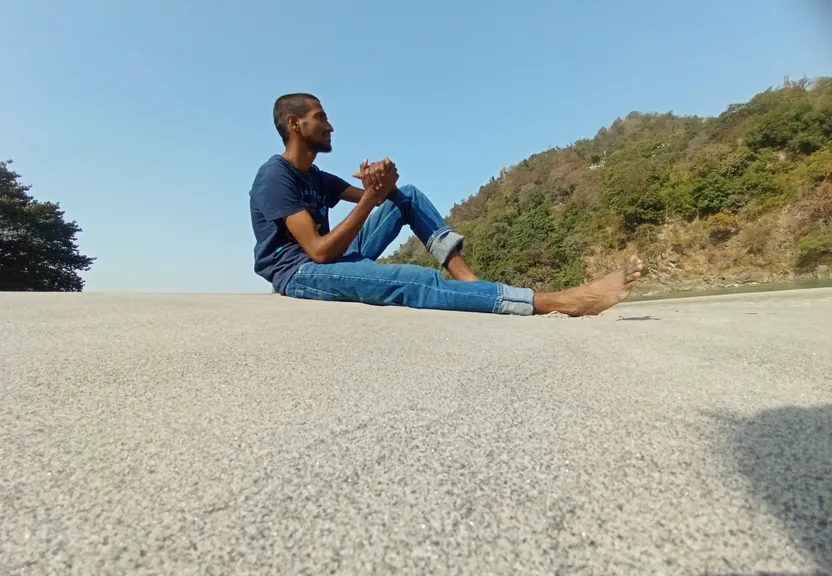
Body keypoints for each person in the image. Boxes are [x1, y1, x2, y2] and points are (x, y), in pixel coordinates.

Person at [248, 93, 644, 317]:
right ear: (295, 125)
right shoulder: (275, 177)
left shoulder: (316, 176)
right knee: (412, 282)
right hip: (298, 272)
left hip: (328, 257)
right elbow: (317, 253)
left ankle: (471, 285)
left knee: (412, 197)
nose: (330, 126)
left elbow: (388, 198)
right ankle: (558, 301)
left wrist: (380, 183)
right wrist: (370, 197)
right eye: (321, 118)